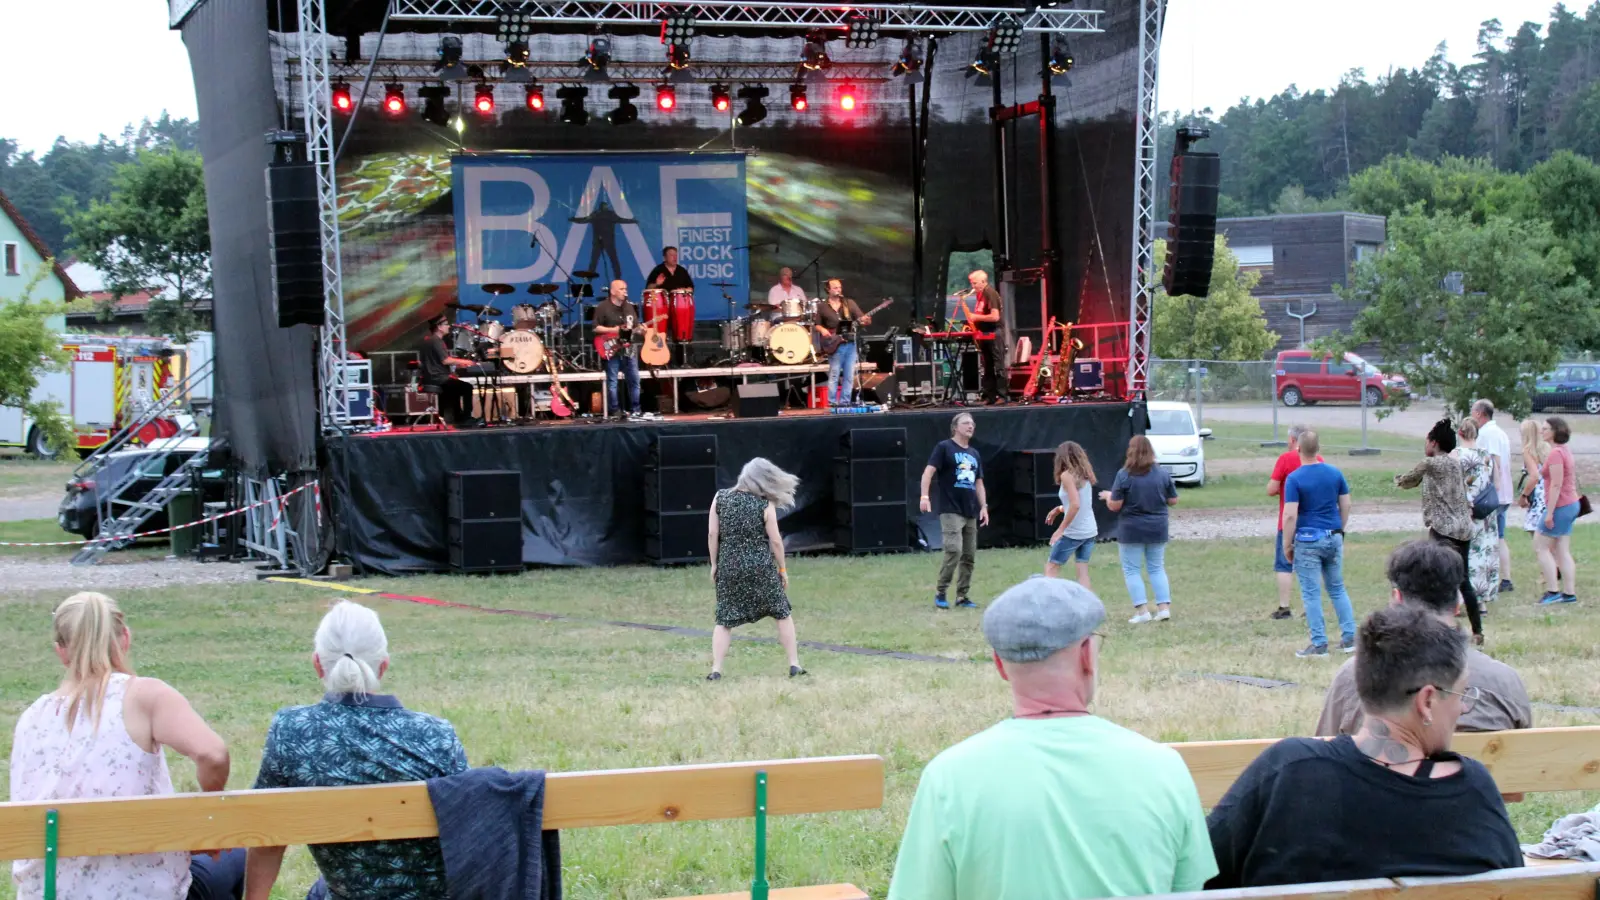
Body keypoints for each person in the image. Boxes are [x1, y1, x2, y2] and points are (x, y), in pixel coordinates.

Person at [886, 578, 1216, 900]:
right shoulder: (1163, 767)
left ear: (999, 664)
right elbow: (1192, 889)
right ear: (1086, 655)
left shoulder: (948, 777)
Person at [1206, 605, 1523, 888]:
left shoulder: (1288, 770)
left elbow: (1199, 875)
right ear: (1427, 701)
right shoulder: (1473, 793)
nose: (1462, 708)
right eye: (1461, 694)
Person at [10, 592, 244, 900]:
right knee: (236, 856)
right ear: (125, 639)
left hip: (49, 893)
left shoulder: (32, 717)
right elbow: (213, 754)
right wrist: (209, 814)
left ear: (61, 652)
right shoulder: (144, 696)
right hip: (141, 891)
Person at [245, 601, 469, 900]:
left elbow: (267, 830)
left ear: (317, 664)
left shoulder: (292, 730)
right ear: (383, 665)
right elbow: (467, 831)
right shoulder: (437, 735)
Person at [1315, 539, 1532, 737]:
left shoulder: (1352, 677)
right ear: (1457, 604)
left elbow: (1326, 751)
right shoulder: (1504, 682)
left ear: (1397, 599)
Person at [707, 458, 805, 680]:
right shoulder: (764, 505)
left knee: (724, 619)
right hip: (760, 567)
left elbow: (713, 534)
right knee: (782, 613)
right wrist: (782, 569)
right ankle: (794, 664)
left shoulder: (720, 498)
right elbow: (776, 541)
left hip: (729, 566)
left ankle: (716, 669)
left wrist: (715, 564)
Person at [1396, 419, 1483, 643]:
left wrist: (1398, 480)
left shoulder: (1430, 463)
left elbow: (1408, 481)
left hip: (1444, 528)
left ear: (1434, 443)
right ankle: (1477, 631)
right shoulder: (1455, 463)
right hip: (1463, 528)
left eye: (1427, 441)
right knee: (1463, 580)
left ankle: (1438, 626)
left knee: (1437, 577)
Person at [1282, 430, 1357, 658]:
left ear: (1298, 449)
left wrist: (1287, 544)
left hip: (1308, 539)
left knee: (1311, 593)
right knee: (1337, 587)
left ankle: (1319, 643)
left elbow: (1290, 515)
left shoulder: (1294, 479)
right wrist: (1339, 529)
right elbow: (1346, 504)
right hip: (1333, 535)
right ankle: (1350, 637)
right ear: (1318, 449)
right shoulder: (1335, 473)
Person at [1102, 434, 1178, 624]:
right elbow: (1173, 500)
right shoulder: (1162, 474)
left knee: (1132, 570)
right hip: (1158, 527)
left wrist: (1109, 497)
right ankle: (1164, 609)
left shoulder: (1124, 475)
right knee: (1157, 567)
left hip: (1132, 528)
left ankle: (1142, 611)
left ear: (1131, 451)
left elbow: (1115, 506)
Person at [920, 412, 989, 610]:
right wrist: (924, 496)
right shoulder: (944, 447)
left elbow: (979, 483)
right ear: (955, 427)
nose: (970, 426)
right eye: (966, 423)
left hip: (970, 510)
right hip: (950, 509)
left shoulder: (974, 454)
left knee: (969, 556)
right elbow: (928, 472)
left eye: (972, 423)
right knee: (954, 550)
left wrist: (984, 506)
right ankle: (941, 592)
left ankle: (962, 596)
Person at [1266, 424, 1319, 620]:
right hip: (1312, 523)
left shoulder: (1285, 459)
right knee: (1310, 566)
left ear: (1292, 440)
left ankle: (1284, 607)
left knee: (1284, 565)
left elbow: (1271, 489)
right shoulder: (1319, 460)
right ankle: (1310, 606)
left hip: (1288, 521)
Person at [1454, 419, 1501, 608]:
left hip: (1465, 509)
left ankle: (1461, 599)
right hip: (1485, 510)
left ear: (1459, 433)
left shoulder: (1456, 455)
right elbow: (1496, 482)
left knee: (1464, 554)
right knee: (1484, 552)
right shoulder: (1486, 455)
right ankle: (1482, 601)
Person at [1534, 416, 1581, 604]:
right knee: (1562, 550)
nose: (1541, 431)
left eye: (1545, 429)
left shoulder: (1555, 454)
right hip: (1571, 504)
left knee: (1540, 547)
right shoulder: (1564, 450)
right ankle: (1569, 593)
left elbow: (1556, 484)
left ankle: (1553, 591)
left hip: (1561, 505)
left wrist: (1550, 513)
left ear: (1555, 431)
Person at [1471, 399, 1514, 593]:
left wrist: (1491, 488)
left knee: (1489, 537)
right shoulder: (1500, 432)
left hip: (1493, 495)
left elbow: (1495, 461)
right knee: (1499, 536)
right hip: (1502, 493)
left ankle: (1491, 579)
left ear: (1479, 413)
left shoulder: (1488, 434)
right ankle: (1504, 579)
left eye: (1472, 411)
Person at [1043, 441, 1098, 588]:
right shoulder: (1085, 474)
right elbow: (1080, 503)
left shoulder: (1067, 476)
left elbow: (1075, 504)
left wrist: (1060, 530)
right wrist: (1060, 509)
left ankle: (1049, 599)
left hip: (1074, 532)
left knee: (1051, 567)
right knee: (1082, 572)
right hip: (1089, 531)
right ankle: (1087, 602)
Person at [814, 278, 872, 407]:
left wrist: (866, 320)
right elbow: (817, 324)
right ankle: (832, 402)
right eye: (835, 287)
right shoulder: (822, 306)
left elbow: (861, 319)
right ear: (828, 290)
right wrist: (822, 330)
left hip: (850, 343)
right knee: (834, 374)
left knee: (849, 375)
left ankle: (845, 402)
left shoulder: (848, 303)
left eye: (839, 287)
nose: (838, 290)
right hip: (834, 344)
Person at [592, 280, 643, 420]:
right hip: (611, 346)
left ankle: (636, 409)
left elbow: (635, 327)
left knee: (634, 380)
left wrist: (642, 330)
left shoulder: (629, 307)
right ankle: (614, 410)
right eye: (621, 289)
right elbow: (595, 328)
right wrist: (613, 330)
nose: (625, 291)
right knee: (612, 381)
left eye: (625, 289)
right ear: (613, 291)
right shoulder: (603, 307)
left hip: (629, 347)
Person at [419, 314, 480, 427]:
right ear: (439, 327)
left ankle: (458, 417)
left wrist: (458, 364)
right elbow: (445, 360)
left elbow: (436, 362)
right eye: (446, 324)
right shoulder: (436, 341)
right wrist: (466, 361)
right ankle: (466, 418)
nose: (448, 326)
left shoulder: (428, 340)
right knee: (467, 387)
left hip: (431, 378)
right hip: (439, 379)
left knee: (455, 387)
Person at [1516, 417, 1553, 576]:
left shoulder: (1528, 451)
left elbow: (1534, 476)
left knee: (1538, 540)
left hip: (1538, 497)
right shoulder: (1548, 449)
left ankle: (1547, 573)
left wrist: (1524, 495)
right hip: (1549, 494)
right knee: (1550, 538)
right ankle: (1554, 568)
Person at [962, 270, 1005, 403]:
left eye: (975, 283)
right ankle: (989, 396)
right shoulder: (980, 295)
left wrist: (975, 317)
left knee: (998, 364)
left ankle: (1002, 396)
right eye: (971, 283)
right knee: (987, 365)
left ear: (983, 281)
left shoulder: (990, 293)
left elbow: (995, 316)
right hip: (985, 333)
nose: (973, 286)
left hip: (994, 332)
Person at [568, 200, 636, 282]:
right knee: (610, 259)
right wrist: (633, 221)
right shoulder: (607, 214)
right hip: (606, 242)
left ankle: (591, 278)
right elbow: (622, 220)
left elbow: (583, 220)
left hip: (600, 241)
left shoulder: (597, 214)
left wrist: (574, 219)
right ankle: (617, 277)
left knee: (596, 260)